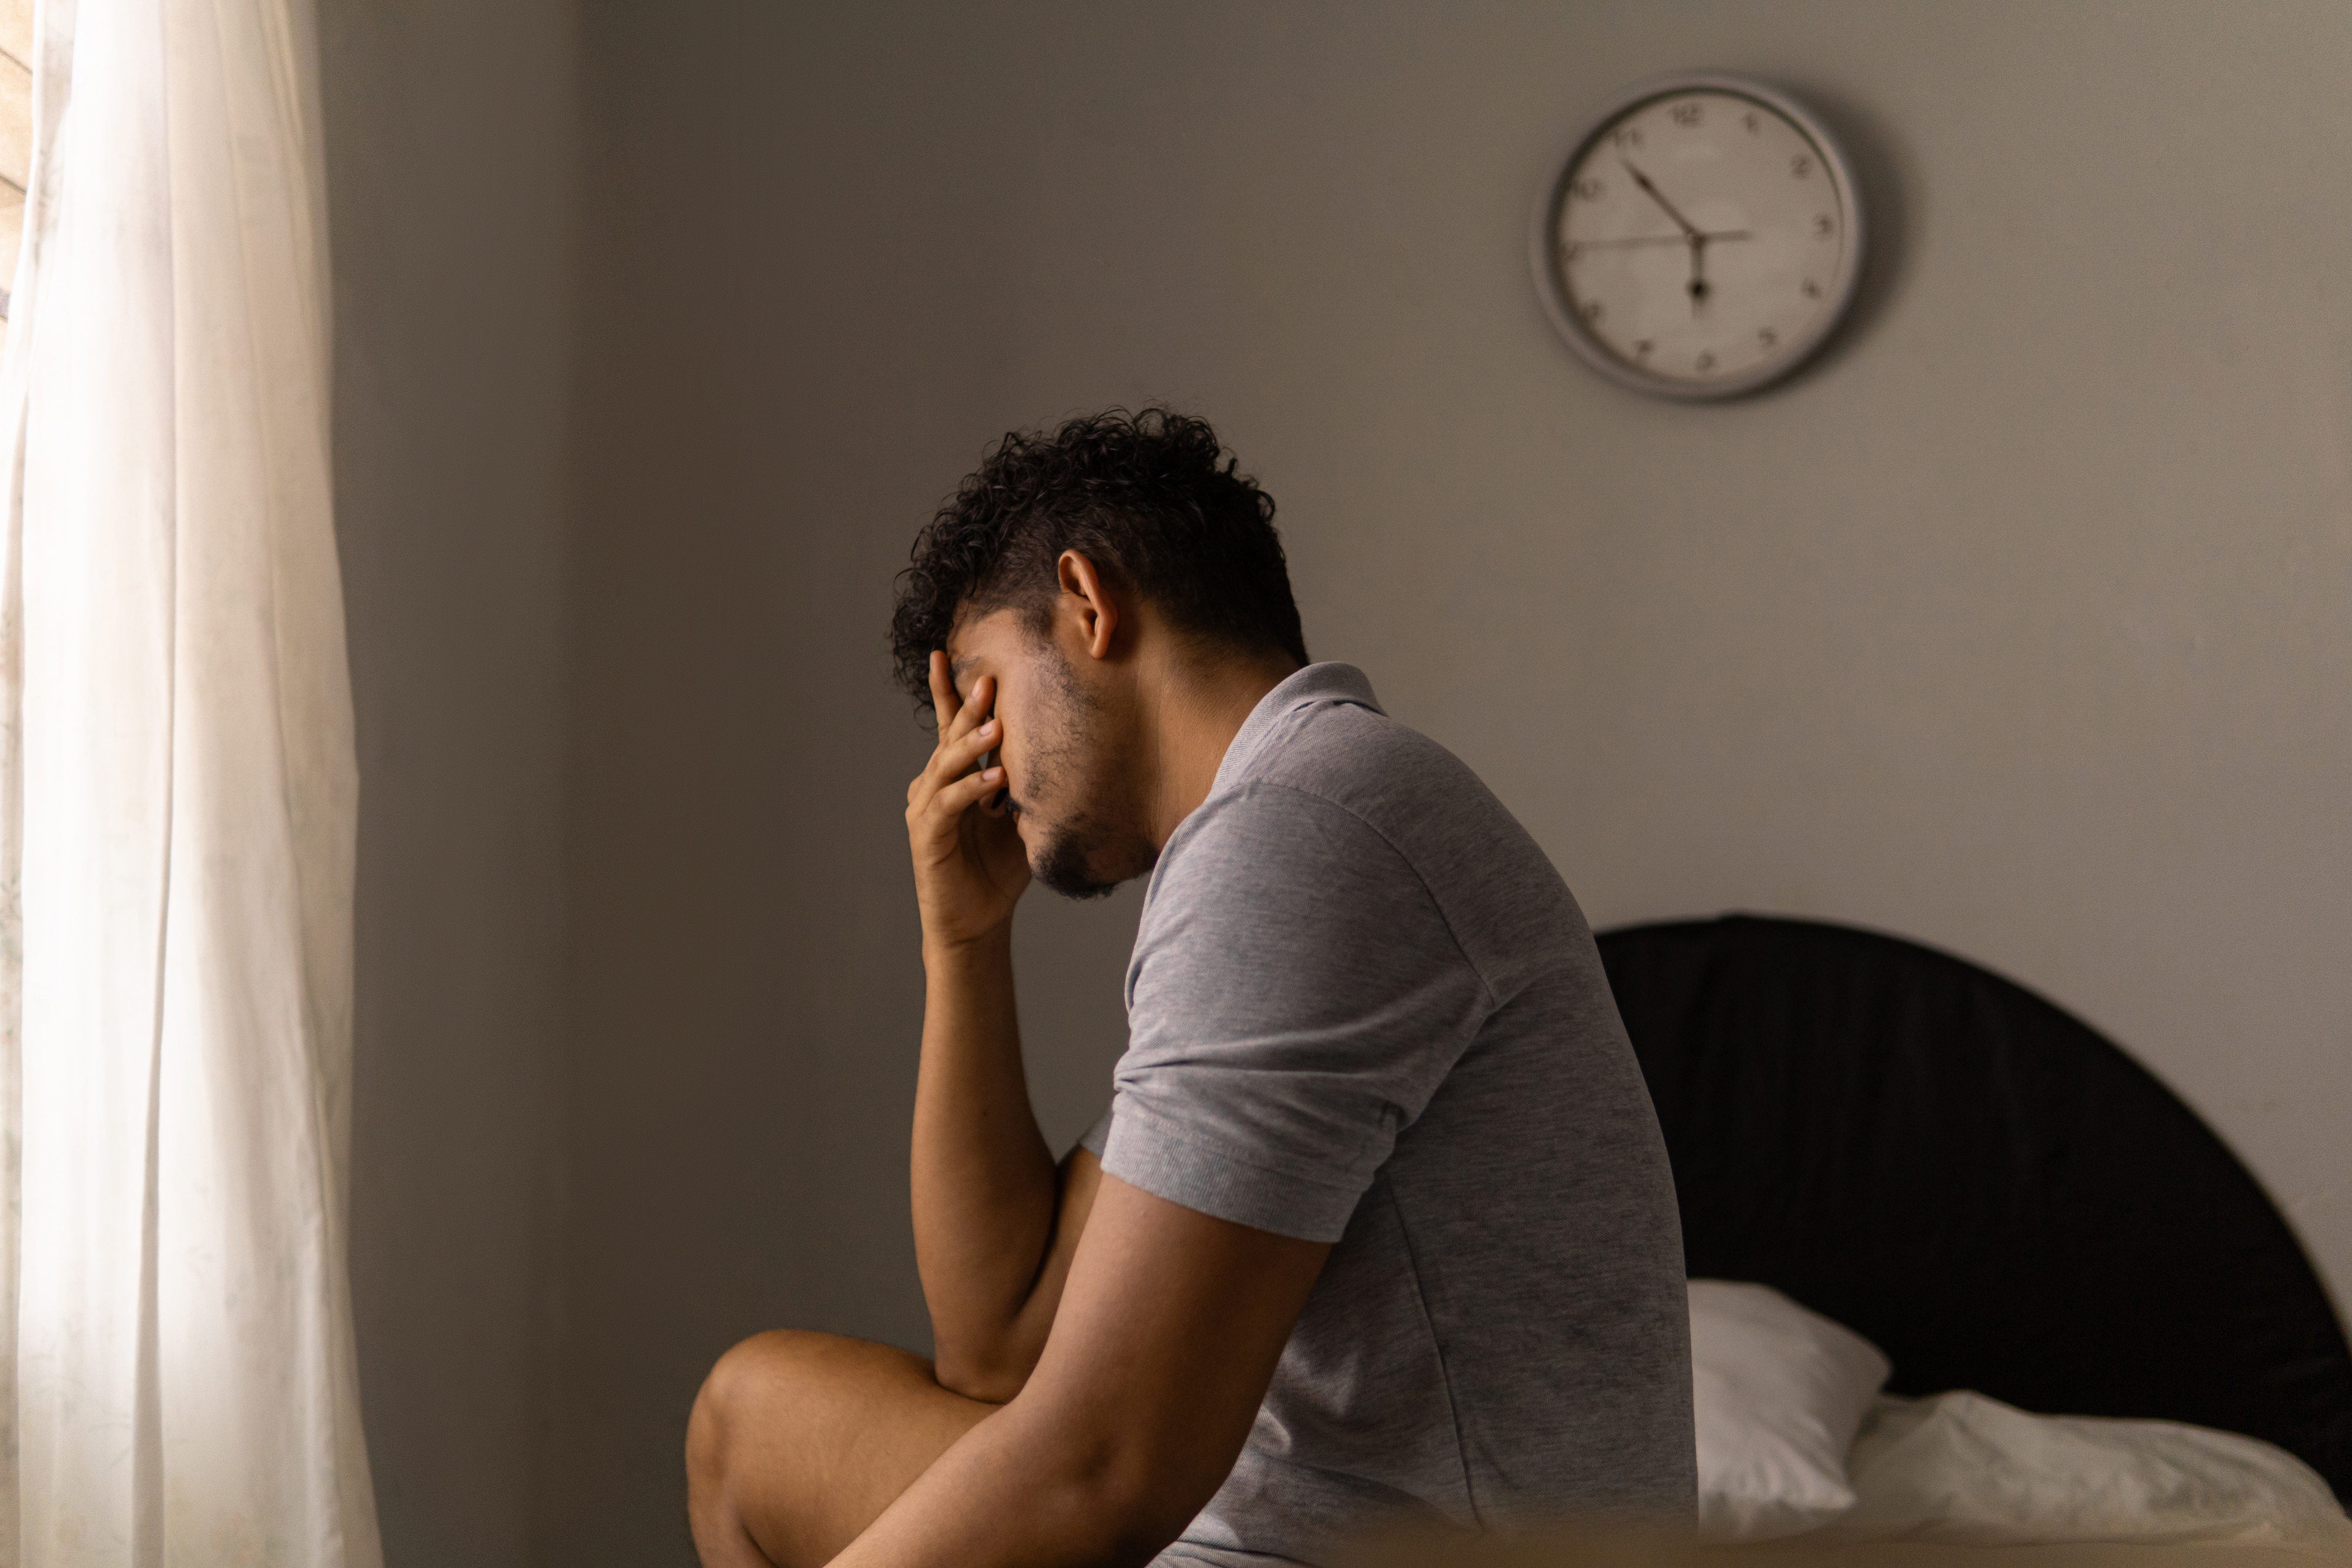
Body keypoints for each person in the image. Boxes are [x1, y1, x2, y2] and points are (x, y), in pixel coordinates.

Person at [684, 409, 1695, 1568]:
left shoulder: (1299, 832)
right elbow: (1001, 1347)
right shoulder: (1308, 815)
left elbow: (1103, 1470)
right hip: (1277, 1531)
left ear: (1087, 602)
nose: (980, 765)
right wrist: (961, 943)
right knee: (752, 1414)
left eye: (982, 692)